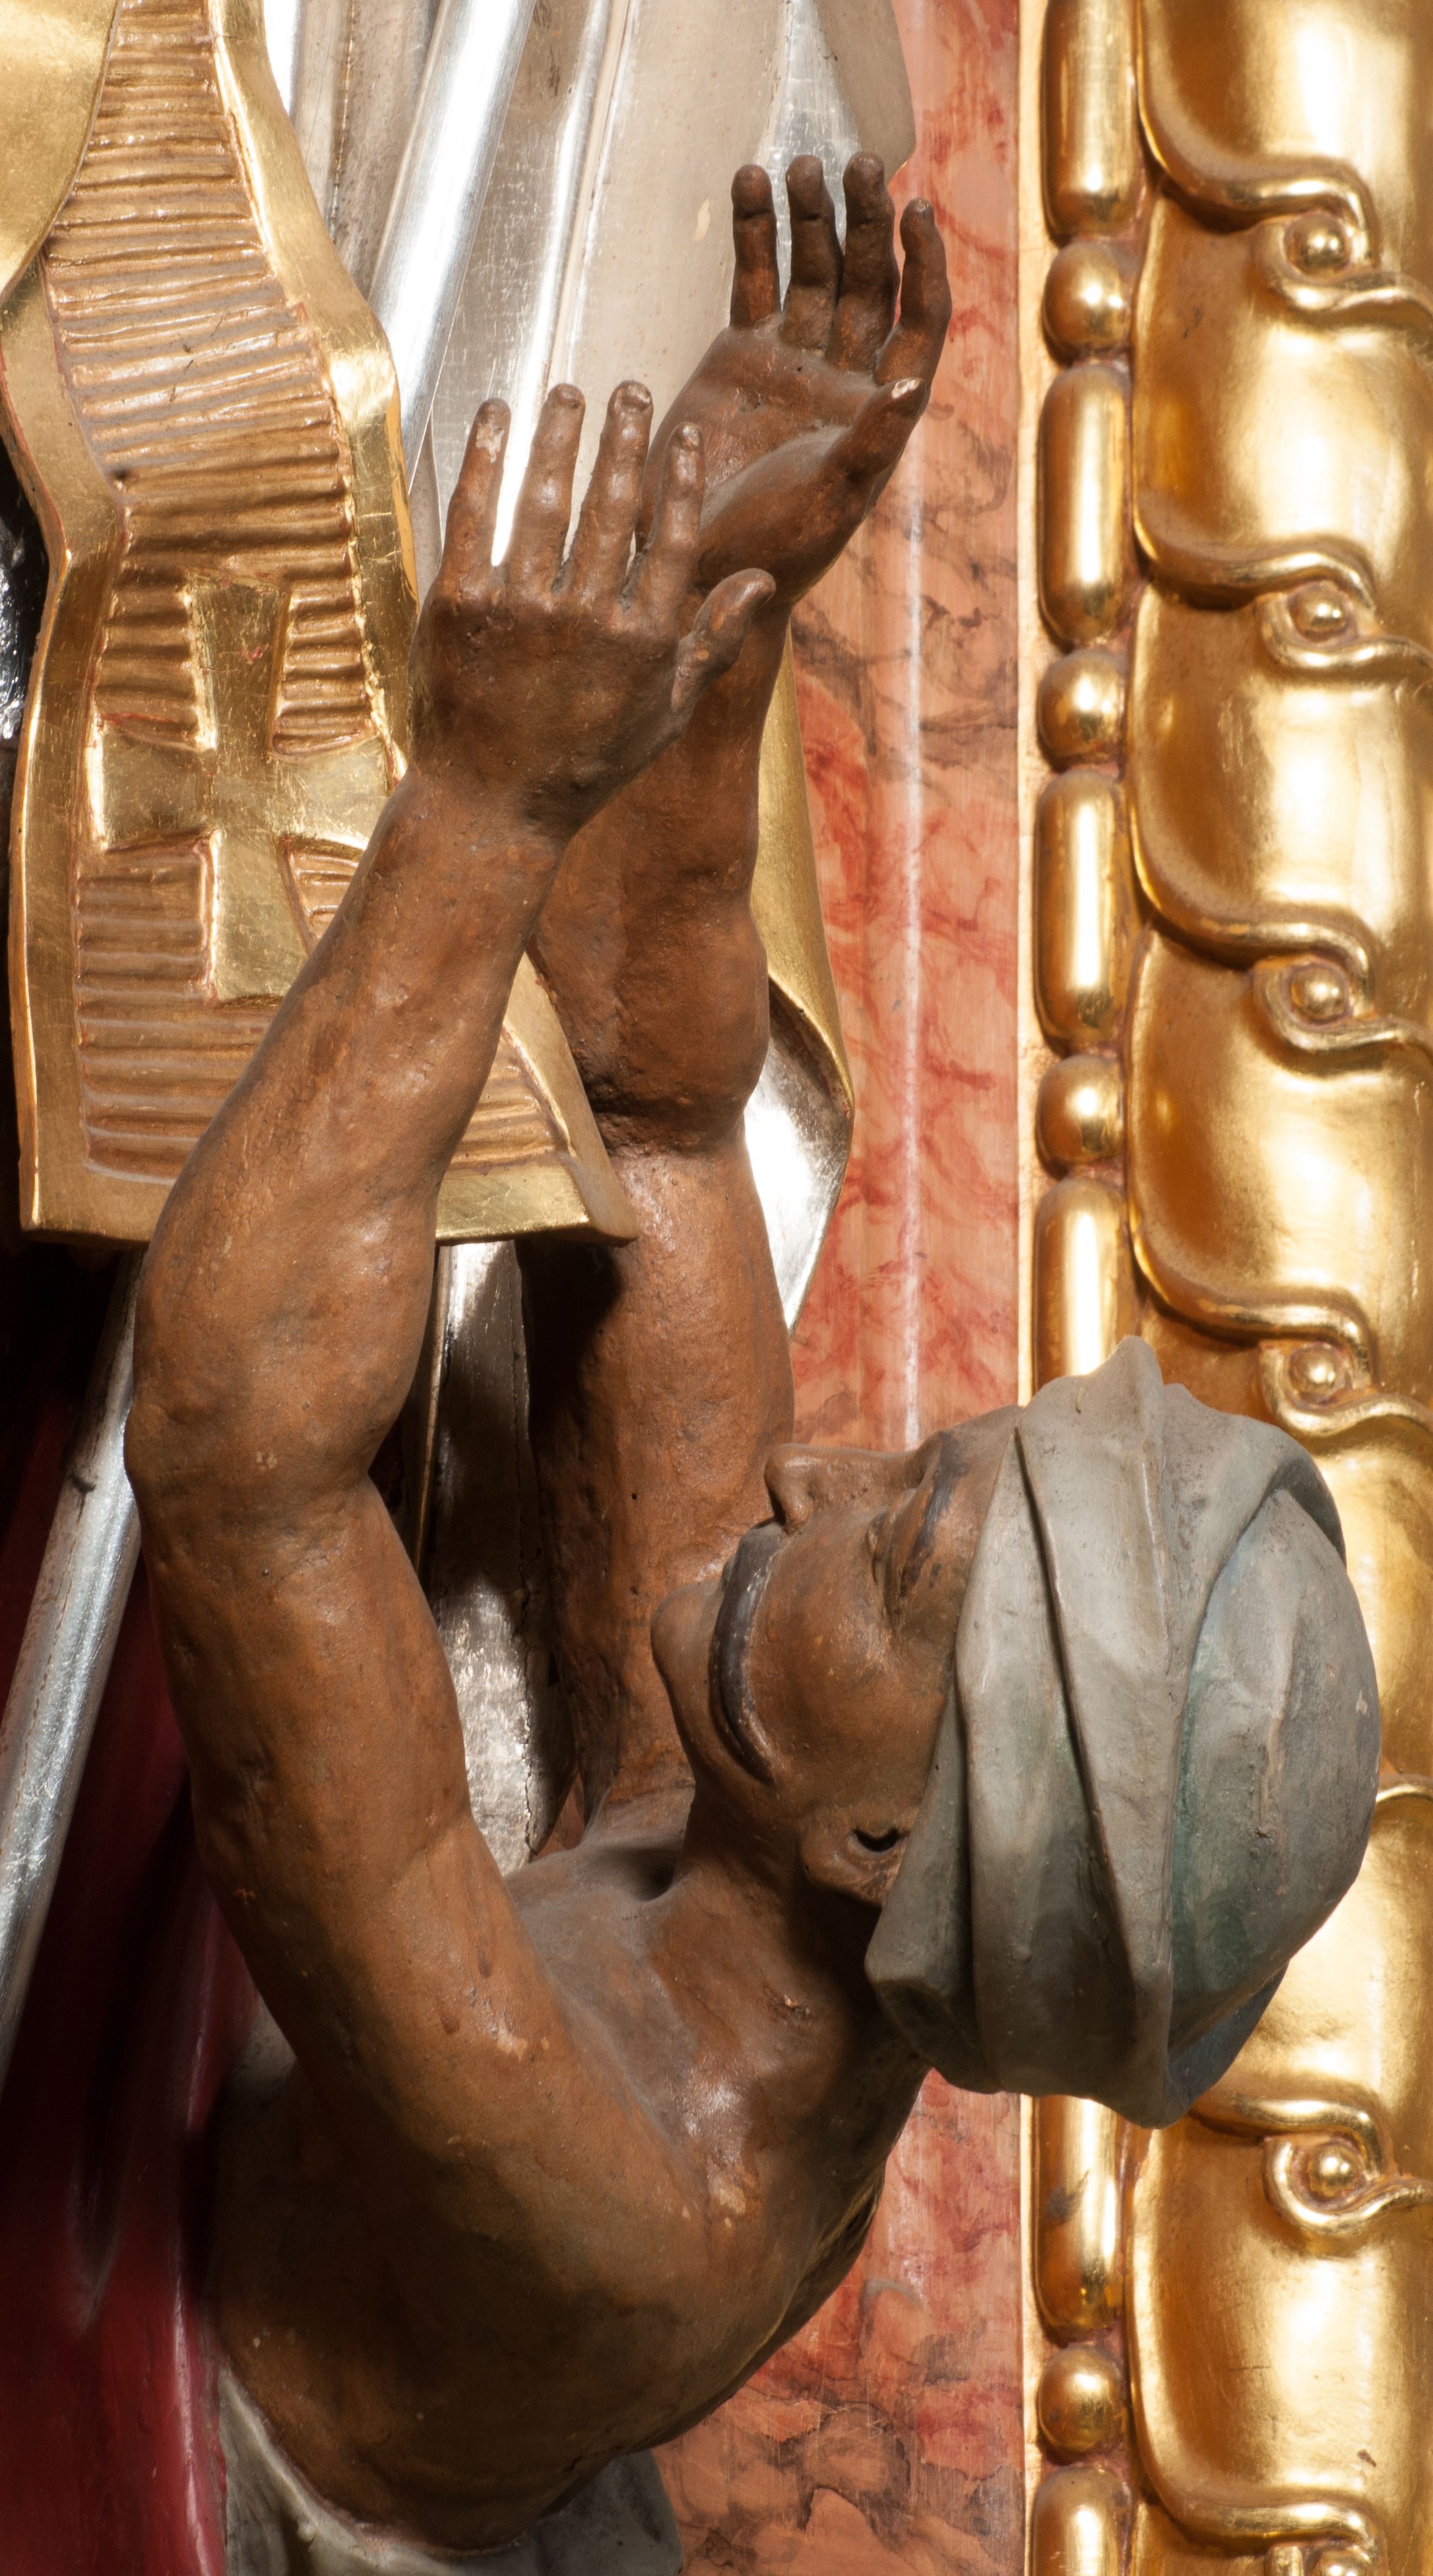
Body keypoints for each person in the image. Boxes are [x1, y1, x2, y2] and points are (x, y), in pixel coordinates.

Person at [126, 159, 1378, 2570]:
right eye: (912, 1468)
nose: (809, 1485)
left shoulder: (614, 2171)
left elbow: (234, 1453)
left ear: (885, 1846)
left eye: (890, 1559)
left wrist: (485, 796)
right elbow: (664, 1123)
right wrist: (729, 601)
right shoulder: (776, 1868)